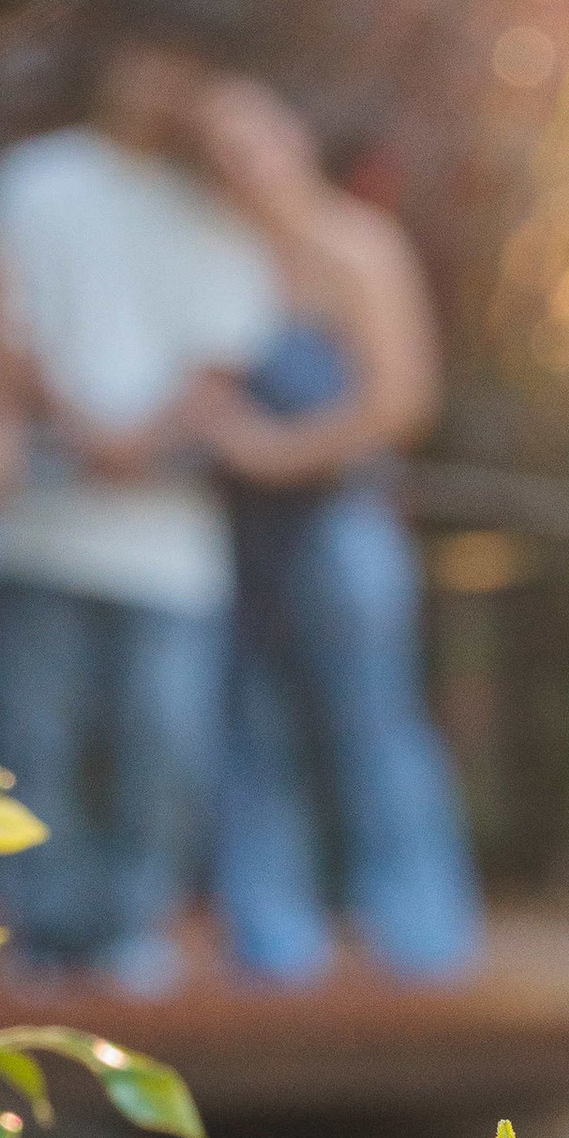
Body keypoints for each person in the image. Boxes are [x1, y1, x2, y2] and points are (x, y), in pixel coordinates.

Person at [0, 0, 278, 993]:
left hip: (167, 541)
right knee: (32, 747)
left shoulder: (214, 211)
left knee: (161, 748)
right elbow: (0, 323)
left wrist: (138, 438)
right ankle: (48, 933)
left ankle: (134, 924)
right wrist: (75, 424)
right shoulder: (31, 184)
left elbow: (223, 354)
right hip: (41, 524)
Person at [189, 77, 482, 986]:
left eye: (257, 143)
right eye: (222, 156)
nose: (246, 167)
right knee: (249, 734)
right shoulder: (216, 260)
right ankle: (273, 944)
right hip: (232, 535)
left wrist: (280, 453)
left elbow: (403, 400)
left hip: (340, 528)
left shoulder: (357, 246)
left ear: (295, 140)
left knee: (374, 728)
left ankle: (421, 940)